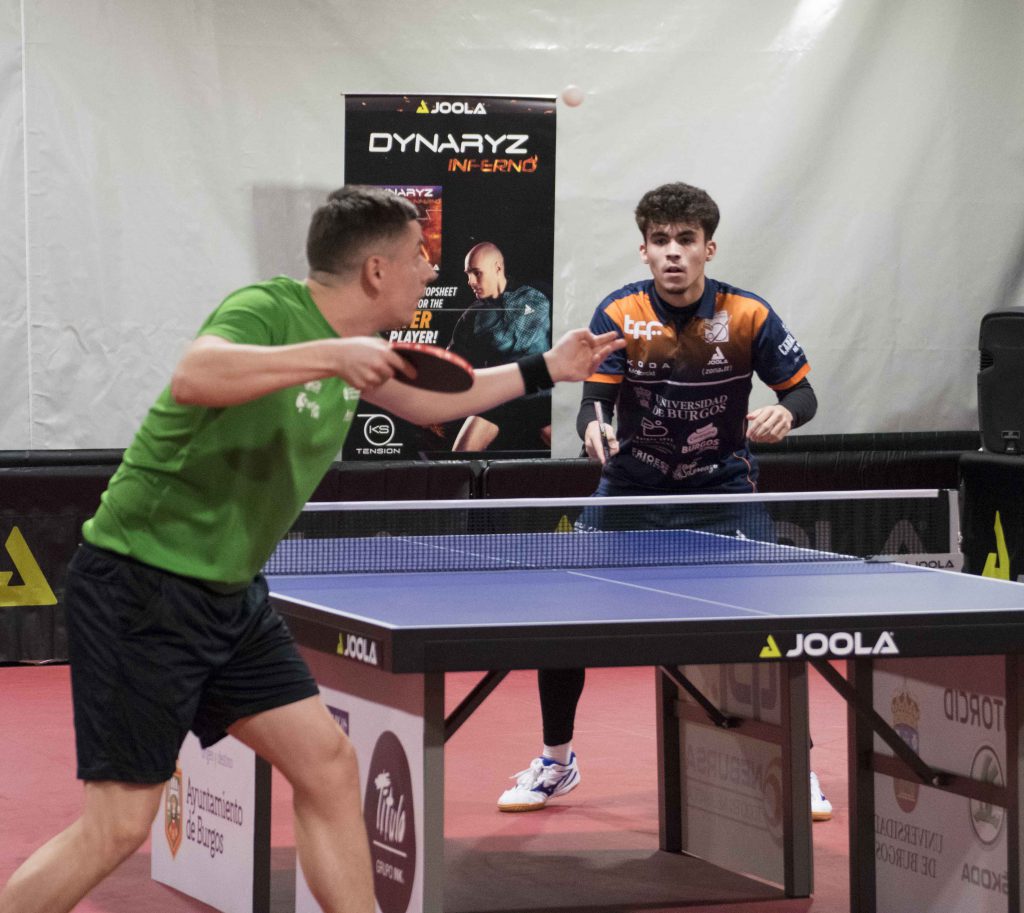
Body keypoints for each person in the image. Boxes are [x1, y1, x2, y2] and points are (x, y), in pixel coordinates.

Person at [0, 186, 624, 913]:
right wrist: (331, 355)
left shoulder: (368, 350)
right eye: (419, 256)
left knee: (328, 765)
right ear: (376, 270)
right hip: (142, 589)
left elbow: (429, 401)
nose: (431, 270)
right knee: (115, 826)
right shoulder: (267, 308)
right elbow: (196, 374)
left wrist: (546, 368)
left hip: (230, 598)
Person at [496, 182, 832, 822]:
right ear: (644, 250)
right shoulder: (619, 313)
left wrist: (786, 414)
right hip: (630, 490)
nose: (673, 252)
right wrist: (592, 428)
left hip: (722, 491)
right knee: (562, 624)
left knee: (773, 630)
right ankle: (557, 762)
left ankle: (796, 761)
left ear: (708, 248)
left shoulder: (748, 315)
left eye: (685, 240)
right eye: (660, 240)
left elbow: (804, 393)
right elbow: (594, 403)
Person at [447, 241, 553, 451]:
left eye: (477, 273)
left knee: (573, 450)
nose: (470, 281)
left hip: (541, 397)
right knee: (460, 455)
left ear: (497, 268)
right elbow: (452, 360)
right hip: (499, 398)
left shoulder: (538, 293)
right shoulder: (473, 315)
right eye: (468, 274)